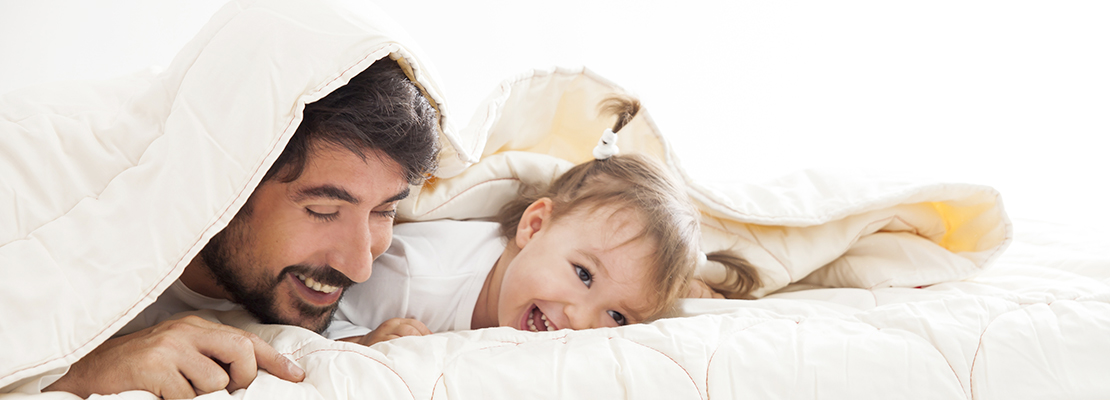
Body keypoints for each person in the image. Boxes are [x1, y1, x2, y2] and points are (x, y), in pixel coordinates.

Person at [42, 59, 440, 398]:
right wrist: (85, 371)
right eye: (322, 210)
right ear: (232, 182)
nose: (359, 268)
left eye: (385, 211)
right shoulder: (58, 206)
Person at [326, 96, 760, 346]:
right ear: (534, 227)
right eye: (584, 275)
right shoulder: (413, 275)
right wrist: (365, 339)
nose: (582, 319)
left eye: (618, 316)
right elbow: (324, 310)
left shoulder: (582, 289)